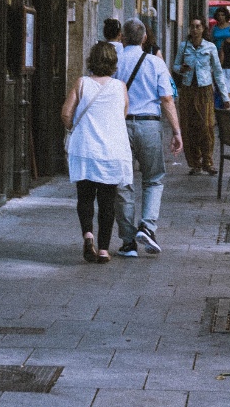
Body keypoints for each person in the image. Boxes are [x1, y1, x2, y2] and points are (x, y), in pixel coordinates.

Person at [115, 20, 183, 258]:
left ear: (122, 37)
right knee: (153, 178)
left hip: (120, 126)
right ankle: (147, 226)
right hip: (149, 124)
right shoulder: (155, 63)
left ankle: (127, 241)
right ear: (144, 38)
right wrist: (176, 131)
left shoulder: (115, 61)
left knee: (123, 181)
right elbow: (166, 99)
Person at [63, 41, 132, 262]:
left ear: (91, 60)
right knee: (107, 201)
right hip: (110, 152)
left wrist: (73, 127)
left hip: (85, 149)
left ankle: (88, 235)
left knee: (85, 196)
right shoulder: (120, 87)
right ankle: (103, 249)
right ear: (114, 63)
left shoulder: (81, 83)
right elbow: (122, 114)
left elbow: (65, 114)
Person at [174, 19, 220, 175]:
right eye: (192, 26)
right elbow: (175, 66)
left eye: (198, 27)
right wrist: (181, 68)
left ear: (203, 29)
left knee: (206, 125)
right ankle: (195, 163)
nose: (195, 29)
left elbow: (218, 71)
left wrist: (225, 96)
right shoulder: (184, 46)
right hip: (187, 89)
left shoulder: (210, 47)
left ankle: (208, 160)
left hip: (204, 89)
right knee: (188, 126)